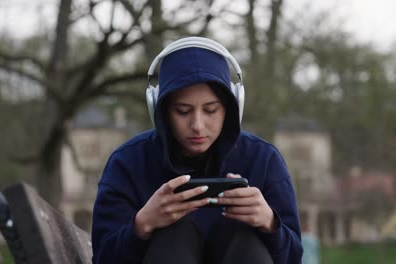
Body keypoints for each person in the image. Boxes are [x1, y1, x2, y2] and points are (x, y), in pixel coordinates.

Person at [92, 36, 303, 263]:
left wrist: (270, 224)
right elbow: (103, 257)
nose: (197, 126)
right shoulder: (128, 163)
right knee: (173, 232)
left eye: (211, 110)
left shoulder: (263, 160)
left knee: (242, 232)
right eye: (183, 111)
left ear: (232, 107)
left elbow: (293, 258)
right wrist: (142, 225)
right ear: (159, 109)